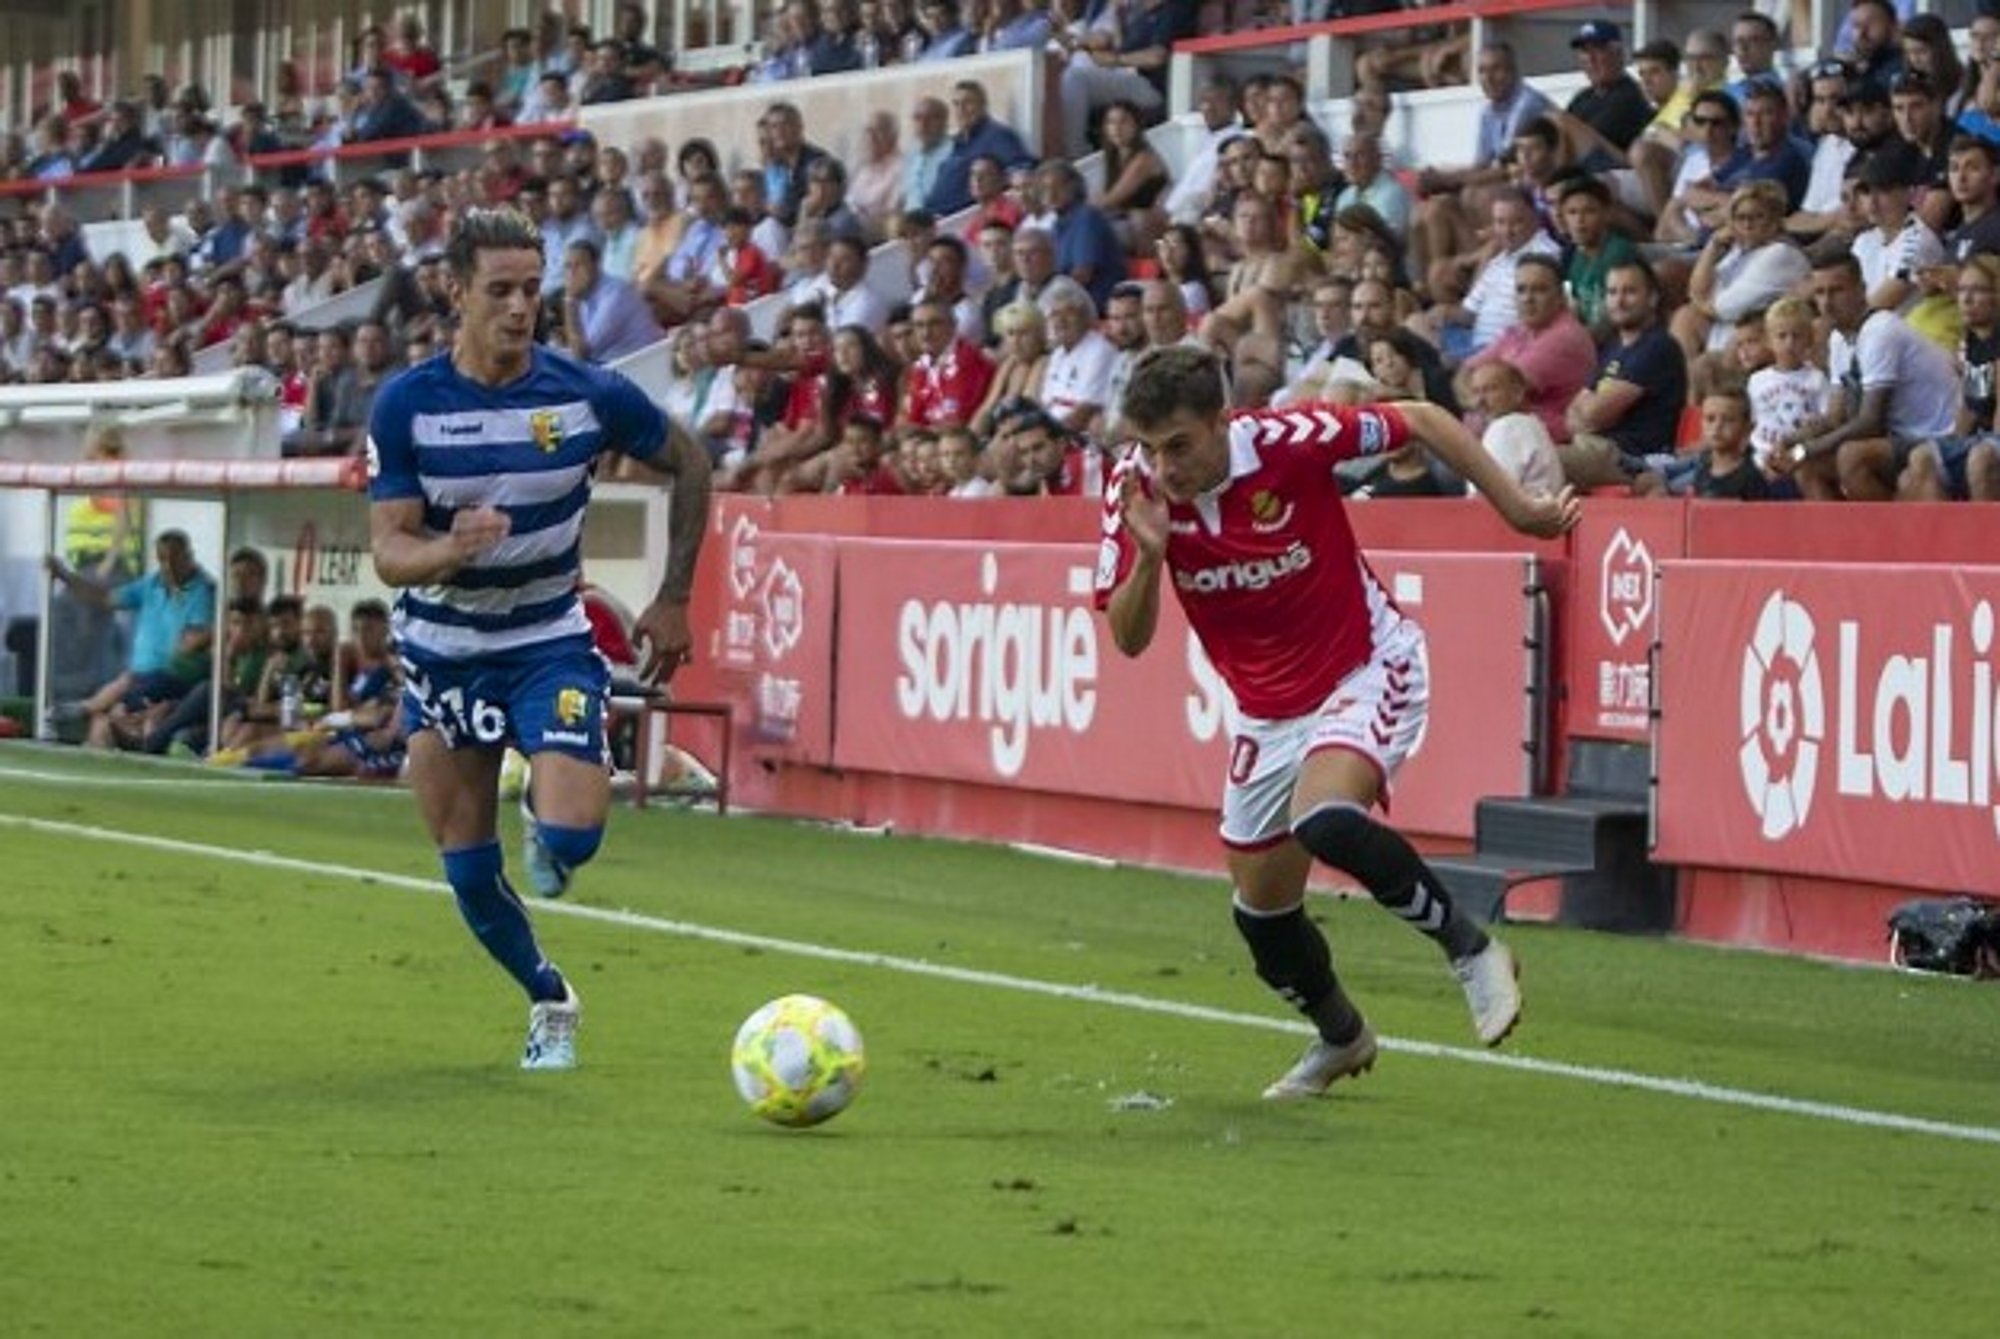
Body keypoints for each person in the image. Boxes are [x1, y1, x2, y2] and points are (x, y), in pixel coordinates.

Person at [1095, 344, 1578, 1100]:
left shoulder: (1288, 442)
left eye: (1181, 445)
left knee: (1325, 818)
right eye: (1152, 447)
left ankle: (1472, 949)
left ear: (1224, 422)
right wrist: (1150, 558)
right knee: (1262, 918)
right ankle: (1342, 1036)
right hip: (1265, 713)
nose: (1166, 465)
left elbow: (1420, 417)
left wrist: (1518, 509)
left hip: (1365, 665)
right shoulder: (1133, 487)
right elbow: (1126, 638)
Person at [367, 208, 713, 1071]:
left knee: (572, 838)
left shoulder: (584, 392)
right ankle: (549, 998)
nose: (522, 308)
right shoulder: (407, 403)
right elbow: (389, 550)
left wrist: (673, 597)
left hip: (546, 640)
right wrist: (450, 547)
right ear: (455, 291)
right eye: (502, 291)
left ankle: (542, 808)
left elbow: (692, 460)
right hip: (442, 652)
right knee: (467, 872)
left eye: (533, 289)